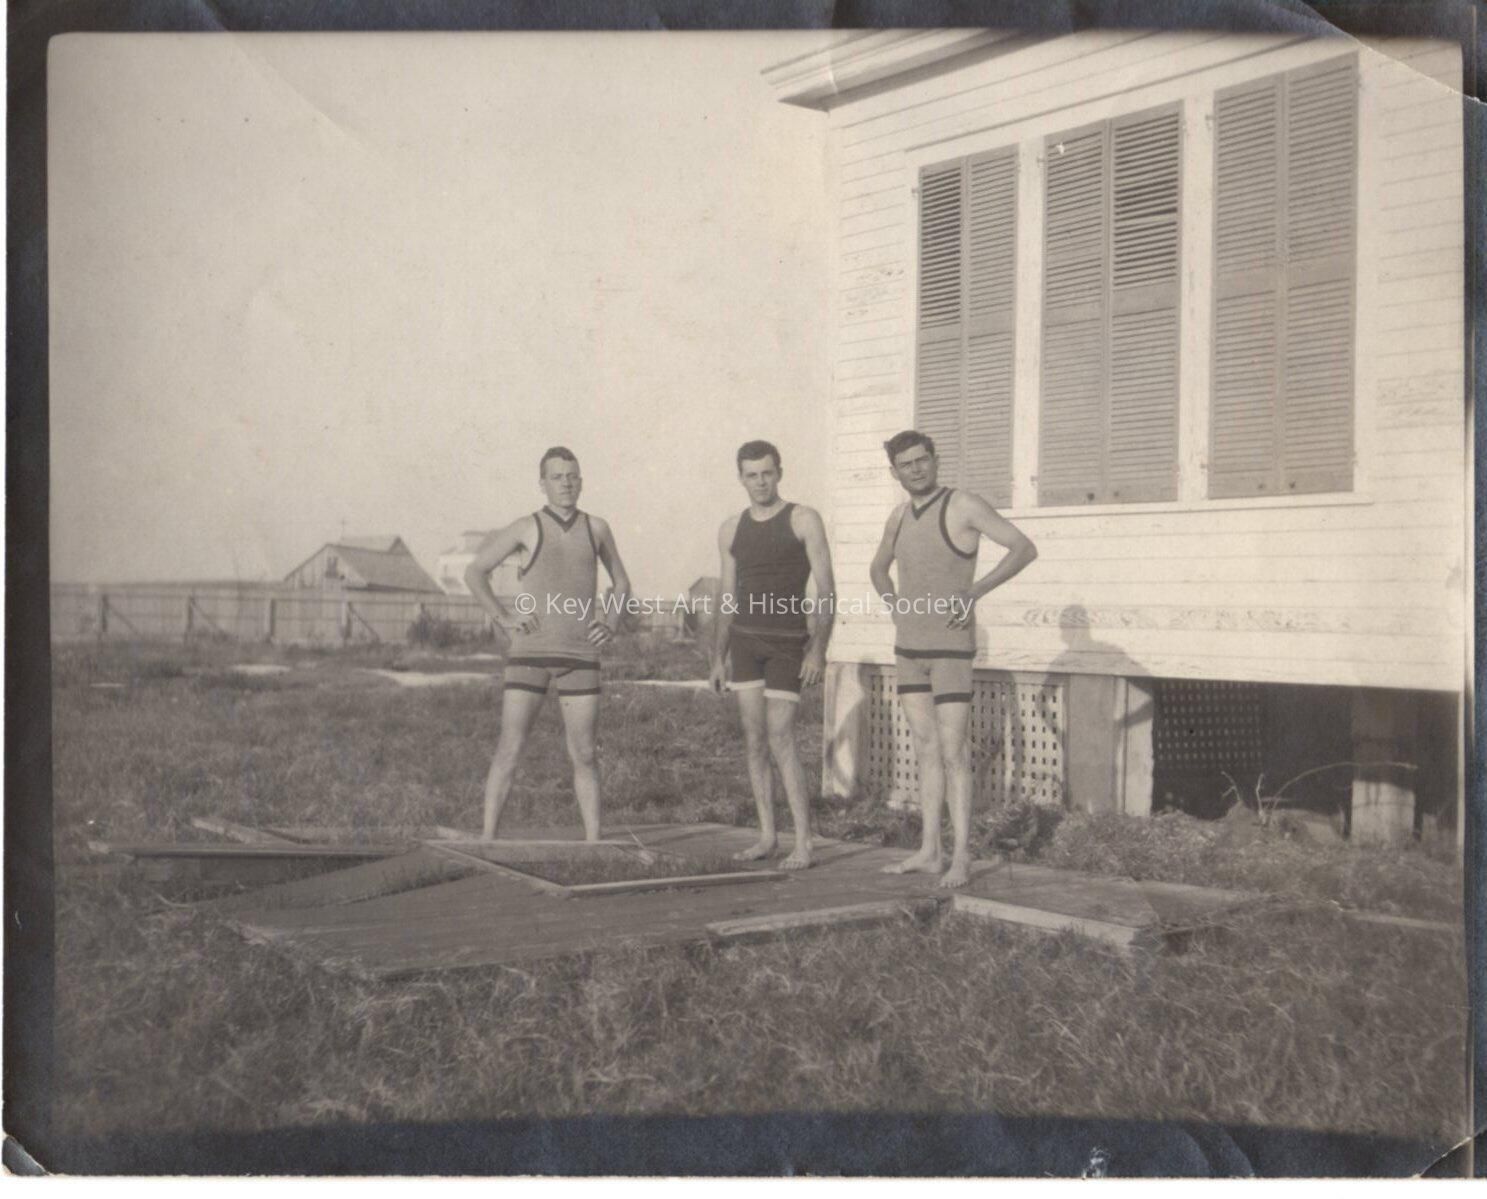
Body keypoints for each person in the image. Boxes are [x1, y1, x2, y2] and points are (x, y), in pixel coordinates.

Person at [870, 430, 1037, 888]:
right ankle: (930, 851)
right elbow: (878, 568)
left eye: (922, 460)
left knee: (954, 752)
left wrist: (974, 592)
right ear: (895, 472)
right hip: (909, 648)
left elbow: (1024, 547)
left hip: (950, 649)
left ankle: (961, 856)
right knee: (925, 749)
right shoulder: (898, 516)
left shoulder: (963, 505)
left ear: (935, 460)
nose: (916, 469)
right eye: (906, 464)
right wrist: (893, 603)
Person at [466, 447, 631, 841]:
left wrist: (610, 622)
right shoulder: (527, 526)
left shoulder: (596, 528)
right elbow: (475, 572)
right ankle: (487, 839)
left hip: (580, 656)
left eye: (572, 476)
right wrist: (503, 618)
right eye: (557, 477)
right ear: (542, 484)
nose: (566, 483)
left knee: (585, 753)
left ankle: (593, 843)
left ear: (581, 481)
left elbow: (622, 583)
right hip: (530, 654)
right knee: (510, 748)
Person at [709, 440, 835, 869]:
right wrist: (717, 657)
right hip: (745, 643)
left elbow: (826, 590)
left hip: (786, 644)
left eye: (767, 473)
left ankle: (803, 842)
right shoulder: (731, 528)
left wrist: (818, 650)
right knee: (754, 740)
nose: (760, 482)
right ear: (741, 478)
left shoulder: (803, 519)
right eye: (752, 475)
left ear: (779, 472)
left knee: (781, 737)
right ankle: (766, 836)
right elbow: (727, 597)